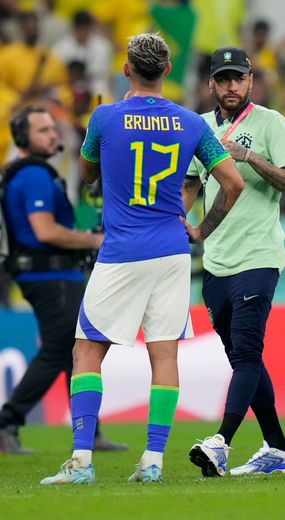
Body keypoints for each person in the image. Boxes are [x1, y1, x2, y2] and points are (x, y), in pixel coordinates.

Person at [40, 33, 244, 485]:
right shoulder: (193, 124)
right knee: (164, 355)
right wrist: (199, 231)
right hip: (171, 250)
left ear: (126, 69)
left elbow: (89, 172)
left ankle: (80, 462)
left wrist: (99, 168)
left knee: (87, 351)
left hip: (121, 251)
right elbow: (233, 183)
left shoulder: (105, 117)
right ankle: (152, 461)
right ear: (167, 71)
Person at [184, 46, 285, 477]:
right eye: (223, 79)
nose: (231, 85)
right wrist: (179, 222)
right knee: (243, 361)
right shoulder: (198, 127)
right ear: (211, 84)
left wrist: (249, 155)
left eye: (238, 78)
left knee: (248, 352)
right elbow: (190, 185)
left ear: (251, 81)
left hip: (258, 256)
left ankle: (221, 441)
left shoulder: (272, 122)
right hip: (214, 262)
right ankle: (278, 448)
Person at [0, 106, 124, 455]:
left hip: (49, 272)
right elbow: (44, 230)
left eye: (53, 129)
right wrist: (92, 239)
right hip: (49, 274)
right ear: (23, 138)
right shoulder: (35, 175)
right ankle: (7, 421)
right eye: (43, 130)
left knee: (74, 352)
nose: (53, 135)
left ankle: (91, 430)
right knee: (59, 349)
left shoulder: (28, 174)